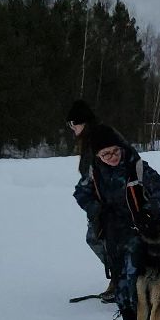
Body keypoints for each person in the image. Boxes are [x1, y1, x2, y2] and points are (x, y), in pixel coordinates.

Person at [74, 123, 160, 320]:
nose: (112, 156)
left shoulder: (136, 166)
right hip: (111, 231)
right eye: (105, 153)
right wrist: (95, 209)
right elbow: (80, 193)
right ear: (98, 155)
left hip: (139, 232)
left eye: (115, 151)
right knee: (119, 278)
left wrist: (151, 207)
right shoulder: (94, 170)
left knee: (134, 278)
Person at [67, 100, 114, 300]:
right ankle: (120, 279)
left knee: (103, 240)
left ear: (82, 122)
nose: (72, 128)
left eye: (73, 124)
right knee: (98, 239)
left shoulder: (97, 139)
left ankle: (123, 280)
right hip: (99, 202)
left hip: (110, 203)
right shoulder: (88, 141)